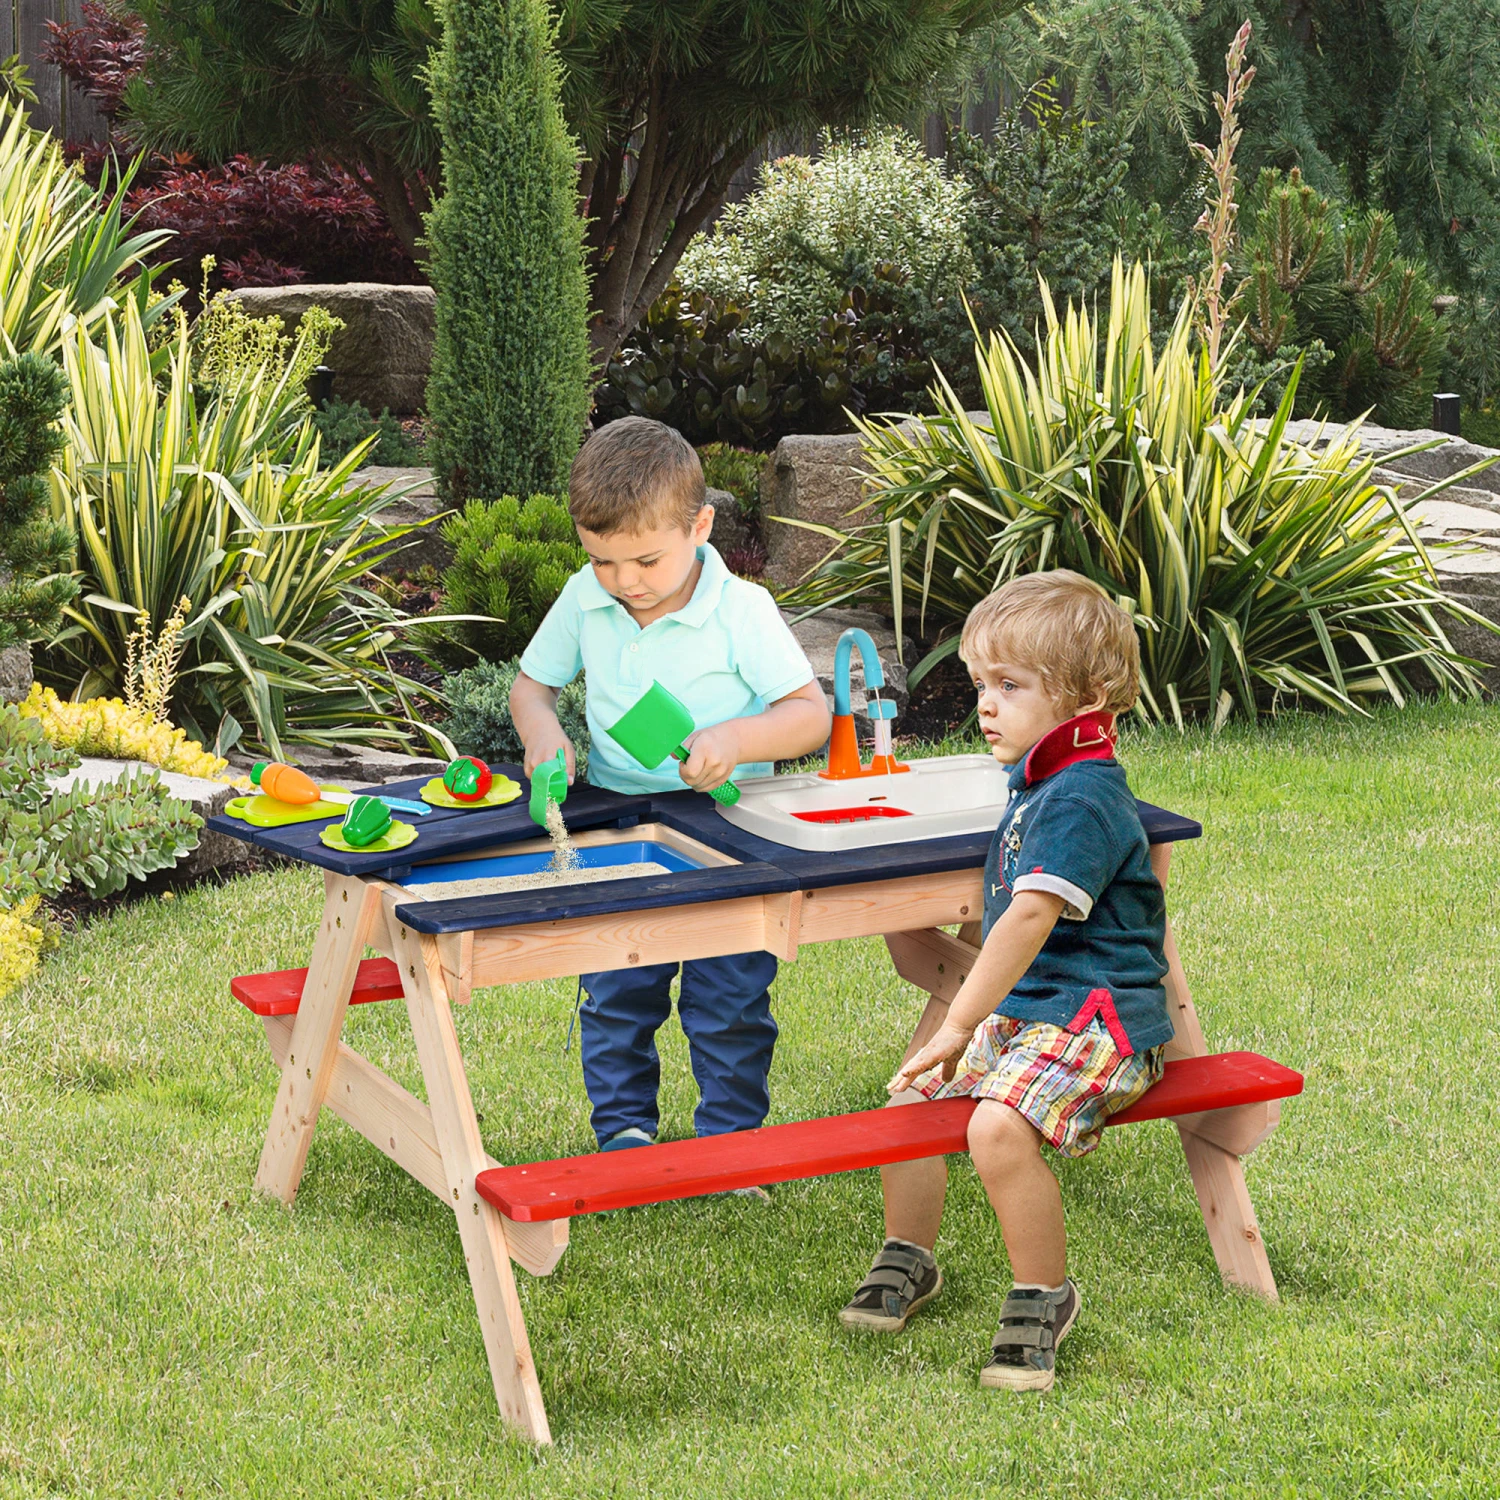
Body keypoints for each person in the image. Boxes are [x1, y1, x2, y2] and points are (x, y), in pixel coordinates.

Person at [839, 570, 1171, 1392]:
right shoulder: (1039, 780)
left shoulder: (1081, 796)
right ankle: (910, 1255)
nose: (986, 704)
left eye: (1011, 686)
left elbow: (1026, 917)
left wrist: (958, 1024)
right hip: (1034, 1011)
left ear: (1088, 698)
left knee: (994, 1128)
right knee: (906, 1109)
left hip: (1098, 1021)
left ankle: (1044, 1295)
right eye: (982, 684)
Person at [510, 417, 831, 1154]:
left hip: (730, 828)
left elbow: (809, 715)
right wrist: (544, 733)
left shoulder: (742, 611)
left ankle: (729, 1144)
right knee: (616, 987)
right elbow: (532, 688)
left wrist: (733, 742)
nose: (625, 583)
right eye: (603, 561)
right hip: (619, 819)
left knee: (730, 997)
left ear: (701, 526)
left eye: (647, 561)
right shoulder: (584, 598)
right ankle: (624, 1133)